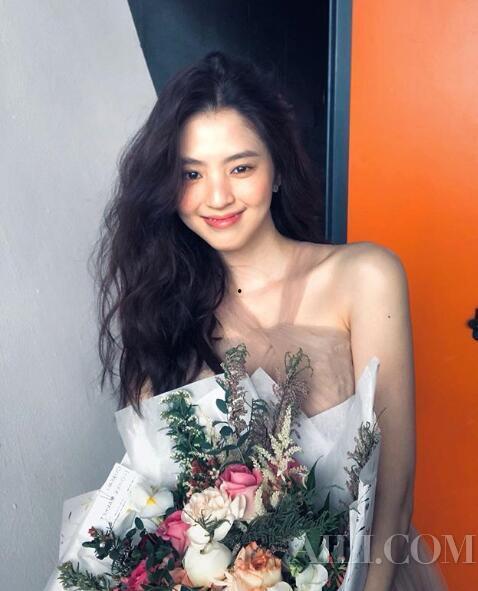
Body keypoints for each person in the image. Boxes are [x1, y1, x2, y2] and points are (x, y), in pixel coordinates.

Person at [94, 51, 448, 591]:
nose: (217, 196)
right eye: (191, 174)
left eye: (241, 168)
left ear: (277, 169)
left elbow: (393, 494)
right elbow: (165, 507)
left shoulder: (364, 276)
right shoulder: (162, 312)